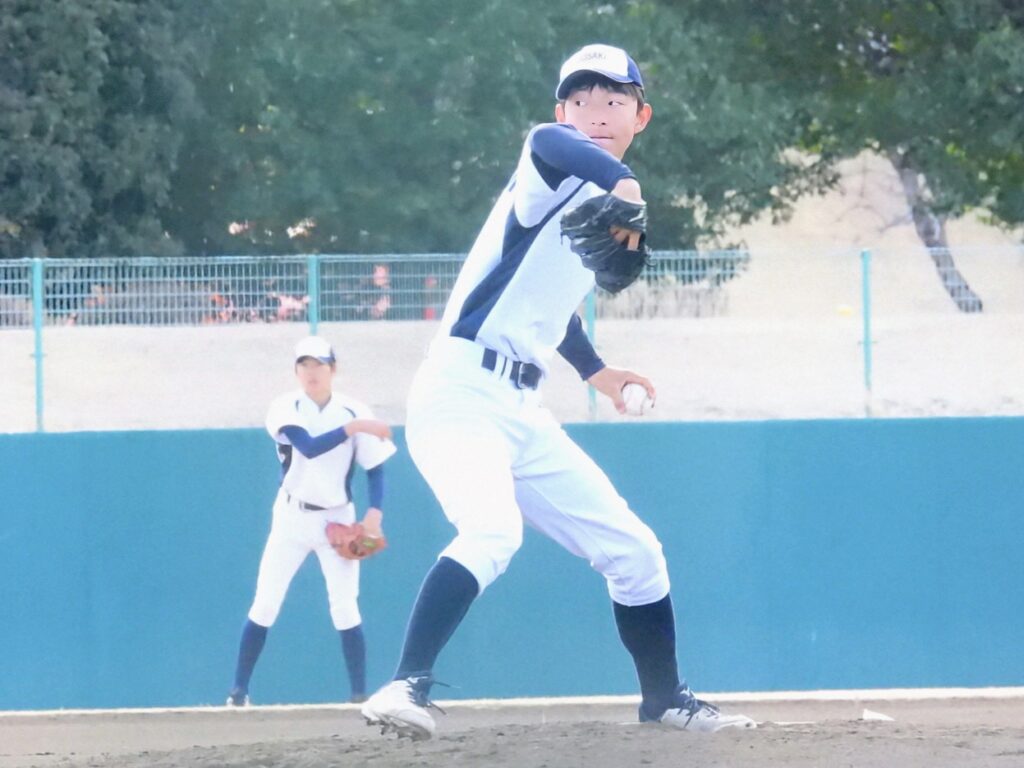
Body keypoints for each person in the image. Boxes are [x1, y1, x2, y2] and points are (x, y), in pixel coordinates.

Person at [360, 44, 755, 738]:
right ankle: (403, 686)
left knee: (635, 553)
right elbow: (549, 141)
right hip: (459, 392)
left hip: (521, 405)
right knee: (492, 531)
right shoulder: (549, 163)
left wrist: (598, 371)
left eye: (613, 100)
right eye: (580, 100)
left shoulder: (601, 203)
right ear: (562, 111)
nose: (595, 113)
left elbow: (548, 305)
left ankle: (664, 700)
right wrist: (626, 186)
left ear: (641, 115)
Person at [227, 335, 396, 706]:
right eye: (304, 364)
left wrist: (375, 512)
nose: (311, 371)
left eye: (318, 364)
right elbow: (309, 447)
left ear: (333, 369)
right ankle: (238, 692)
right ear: (296, 370)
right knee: (266, 602)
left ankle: (359, 696)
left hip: (337, 517)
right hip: (291, 516)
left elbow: (376, 468)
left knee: (345, 606)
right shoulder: (285, 407)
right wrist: (355, 428)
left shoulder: (353, 410)